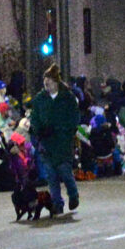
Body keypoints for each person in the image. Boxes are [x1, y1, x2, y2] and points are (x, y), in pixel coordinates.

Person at [28, 66, 80, 214]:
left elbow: (74, 118)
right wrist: (38, 131)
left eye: (49, 83)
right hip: (46, 143)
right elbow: (35, 118)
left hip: (62, 143)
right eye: (45, 83)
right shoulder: (40, 100)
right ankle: (57, 203)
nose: (47, 86)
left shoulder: (67, 98)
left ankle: (73, 195)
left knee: (64, 171)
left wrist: (66, 131)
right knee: (51, 175)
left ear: (56, 82)